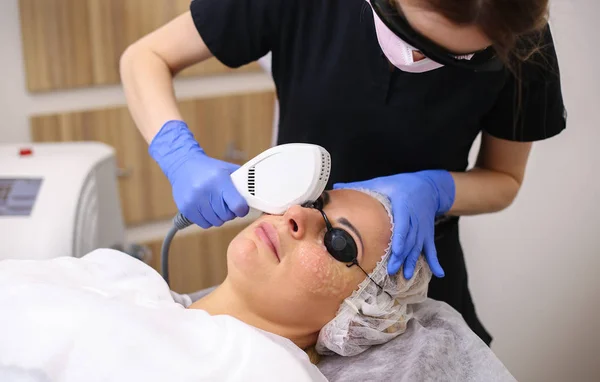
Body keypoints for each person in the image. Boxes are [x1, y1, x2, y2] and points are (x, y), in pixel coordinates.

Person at [119, 0, 567, 346]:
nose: (414, 57)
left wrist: (438, 187)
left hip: (412, 265)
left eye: (453, 57)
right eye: (408, 31)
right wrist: (178, 153)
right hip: (292, 269)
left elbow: (503, 180)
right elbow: (147, 56)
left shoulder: (522, 37)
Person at [0, 189, 431, 381]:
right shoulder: (123, 275)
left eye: (338, 241)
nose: (297, 215)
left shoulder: (269, 373)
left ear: (358, 317)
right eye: (317, 201)